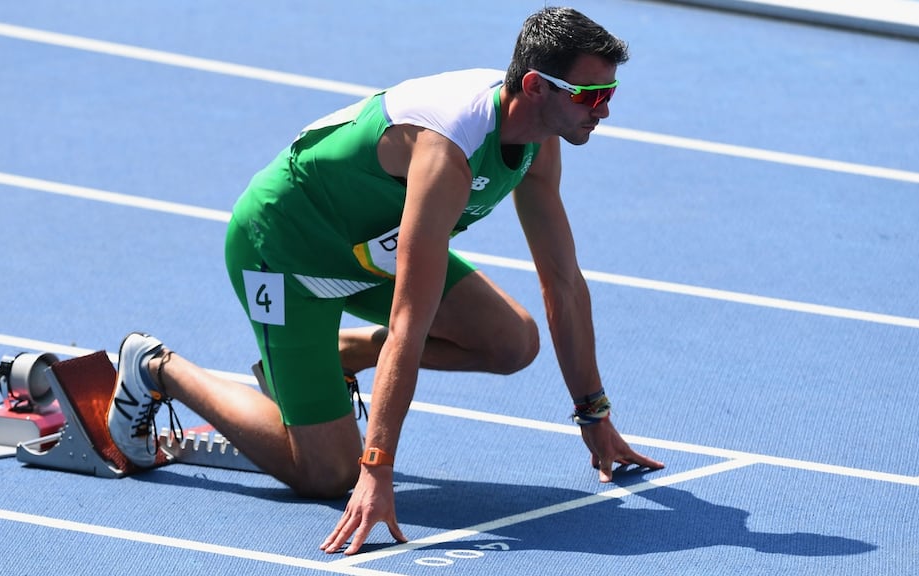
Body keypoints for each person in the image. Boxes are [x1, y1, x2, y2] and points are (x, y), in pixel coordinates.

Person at [105, 5, 664, 556]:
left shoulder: (538, 141)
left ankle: (338, 354)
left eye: (609, 95)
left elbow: (563, 283)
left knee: (512, 342)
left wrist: (595, 417)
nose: (604, 111)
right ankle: (156, 366)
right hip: (283, 252)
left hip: (368, 254)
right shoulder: (448, 151)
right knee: (326, 474)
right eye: (591, 96)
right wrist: (376, 469)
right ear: (537, 86)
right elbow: (407, 325)